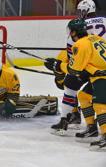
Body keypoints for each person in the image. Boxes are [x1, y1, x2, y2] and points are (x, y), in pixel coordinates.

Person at [44, 0, 106, 136]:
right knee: (87, 95)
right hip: (101, 62)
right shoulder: (104, 20)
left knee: (70, 85)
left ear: (84, 11)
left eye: (79, 11)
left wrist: (58, 66)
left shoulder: (80, 27)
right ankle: (92, 124)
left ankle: (67, 119)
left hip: (90, 66)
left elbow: (74, 60)